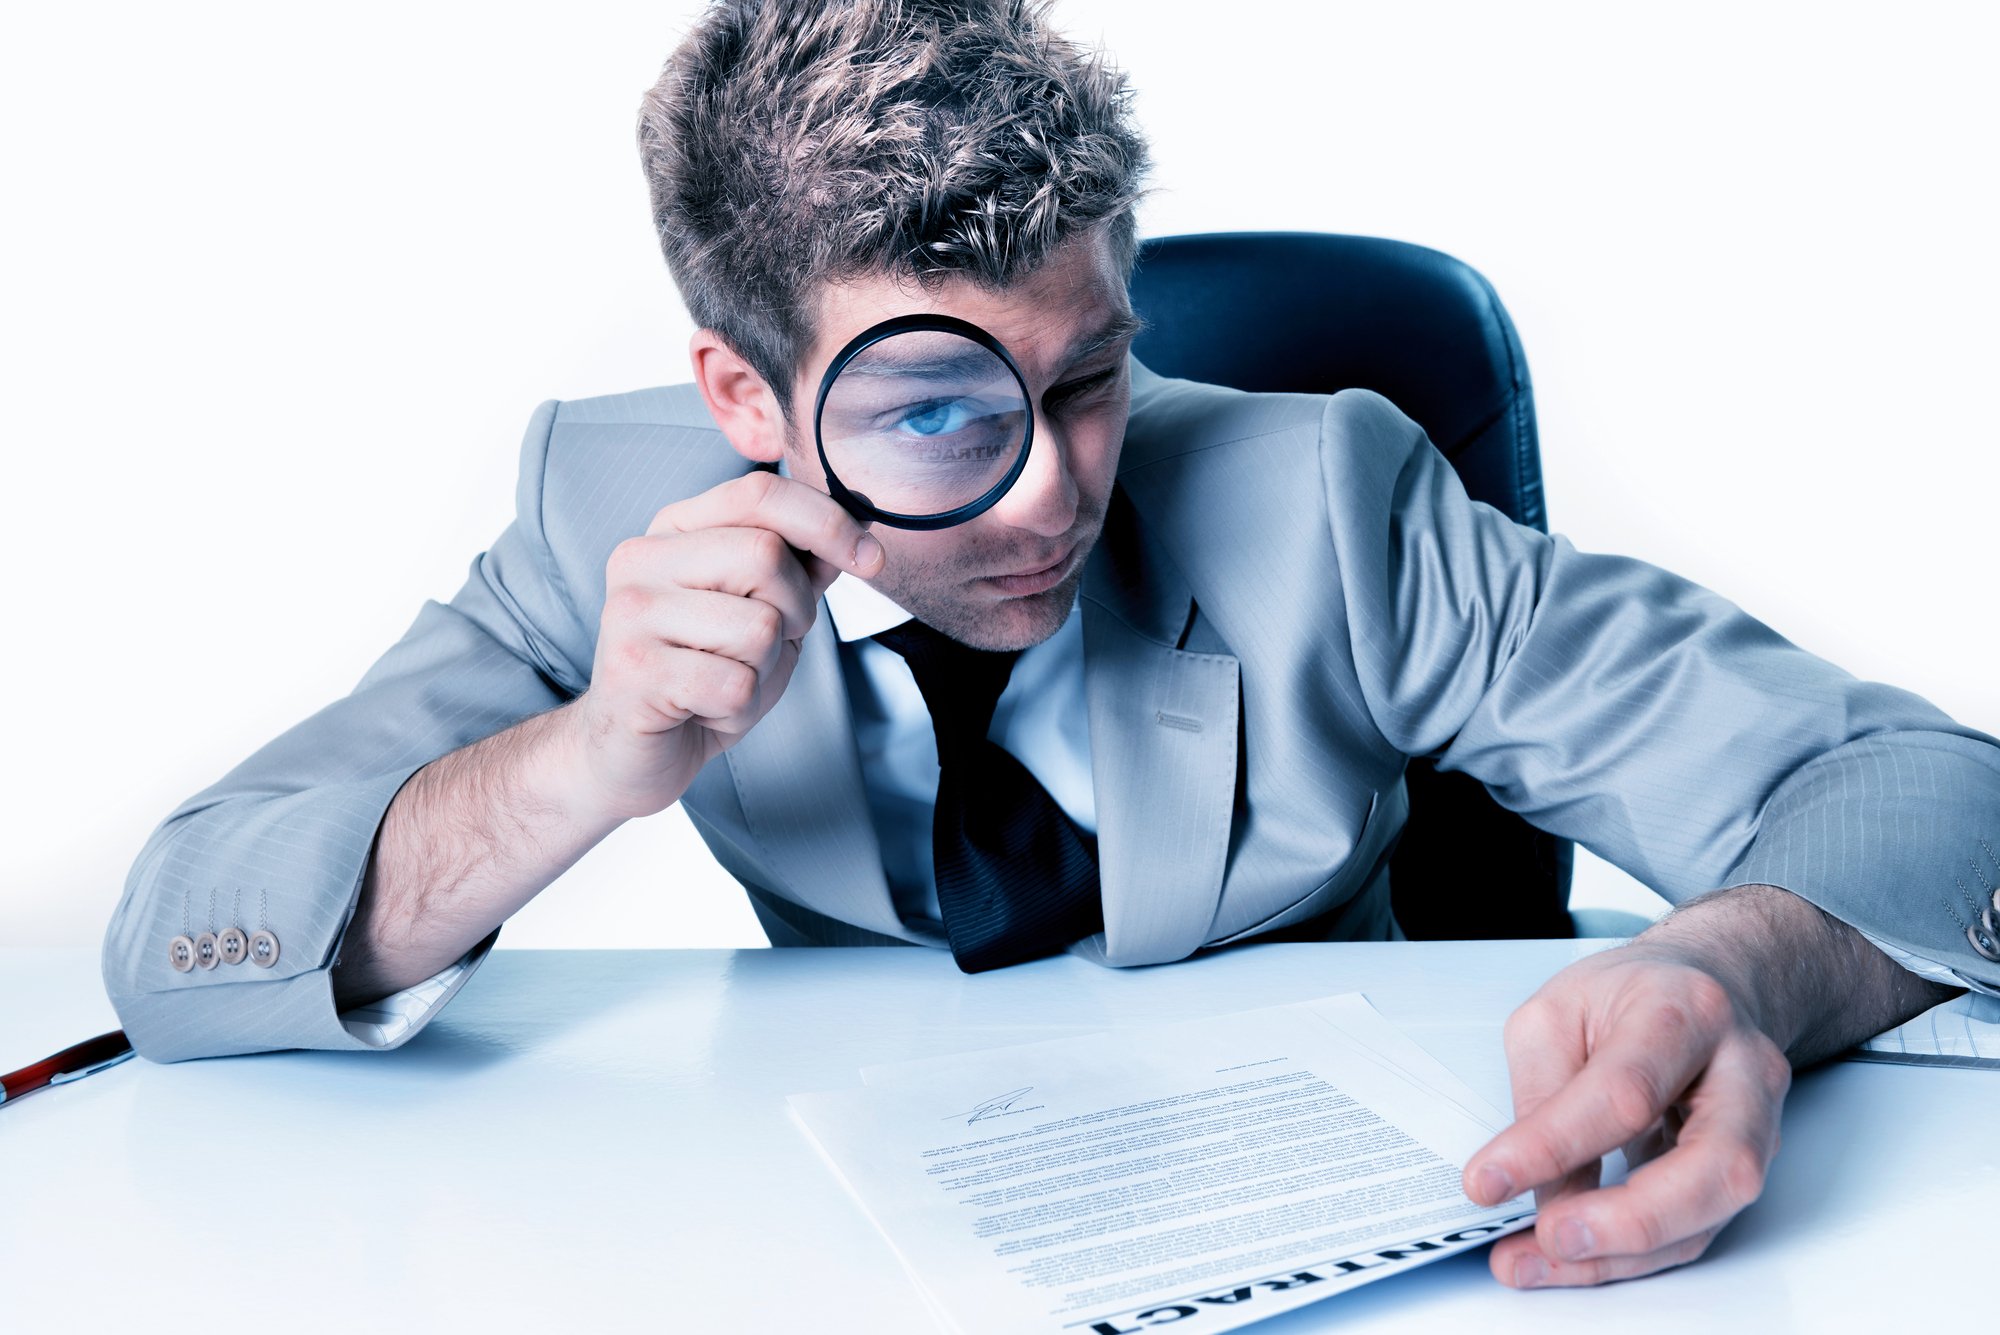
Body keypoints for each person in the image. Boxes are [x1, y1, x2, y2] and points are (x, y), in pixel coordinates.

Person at [102, 0, 1999, 1294]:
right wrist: (578, 759)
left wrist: (1748, 967)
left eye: (1087, 374)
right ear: (741, 398)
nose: (1045, 494)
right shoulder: (604, 512)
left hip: (1395, 1236)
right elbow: (188, 927)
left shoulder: (1324, 497)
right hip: (843, 1242)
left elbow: (1931, 800)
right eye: (932, 405)